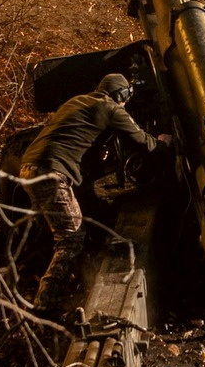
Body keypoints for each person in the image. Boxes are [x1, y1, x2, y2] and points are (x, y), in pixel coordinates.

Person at [17, 72, 163, 312]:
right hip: (52, 173)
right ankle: (45, 305)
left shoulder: (77, 101)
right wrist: (163, 142)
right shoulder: (111, 108)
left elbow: (72, 135)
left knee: (55, 227)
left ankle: (41, 275)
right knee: (71, 239)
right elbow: (141, 141)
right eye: (125, 97)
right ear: (120, 95)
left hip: (29, 168)